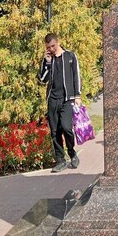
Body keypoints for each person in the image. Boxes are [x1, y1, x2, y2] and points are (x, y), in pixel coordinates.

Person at [37, 33, 82, 172]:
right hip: (52, 100)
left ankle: (72, 152)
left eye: (53, 46)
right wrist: (47, 64)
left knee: (67, 128)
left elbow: (76, 76)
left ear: (58, 42)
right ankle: (60, 160)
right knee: (55, 131)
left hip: (67, 99)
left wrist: (77, 95)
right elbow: (42, 79)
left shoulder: (70, 56)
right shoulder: (48, 60)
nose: (51, 49)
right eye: (48, 47)